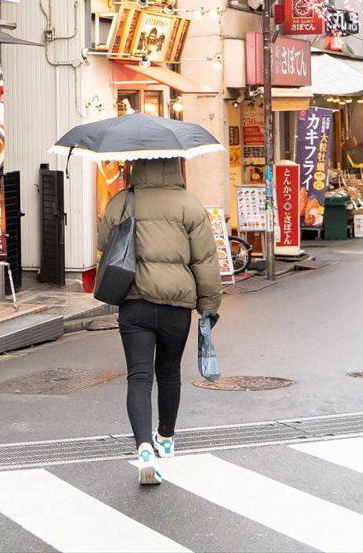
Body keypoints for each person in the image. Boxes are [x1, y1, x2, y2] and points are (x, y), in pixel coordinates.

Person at [95, 156, 222, 487]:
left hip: (134, 301)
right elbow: (205, 260)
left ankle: (143, 448)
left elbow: (103, 245)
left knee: (139, 377)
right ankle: (166, 437)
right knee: (169, 374)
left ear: (138, 166)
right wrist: (209, 305)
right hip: (177, 304)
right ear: (173, 165)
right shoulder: (189, 204)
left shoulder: (122, 201)